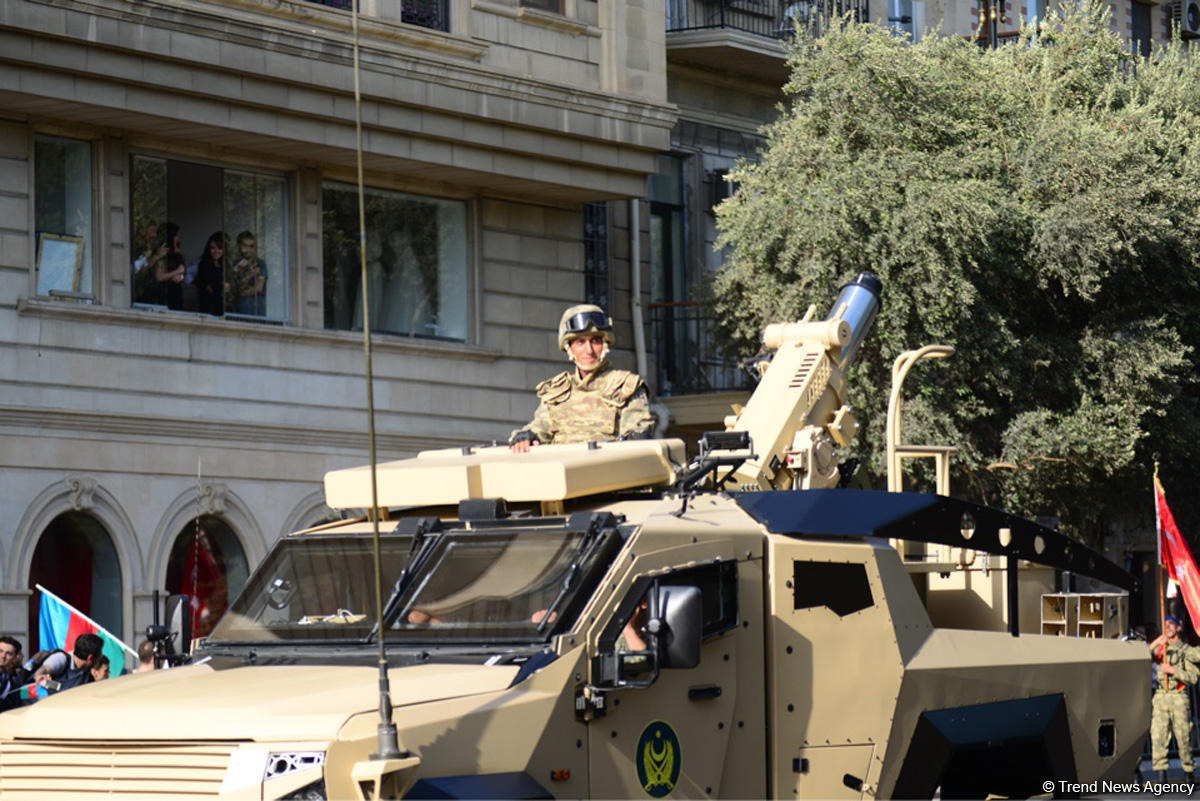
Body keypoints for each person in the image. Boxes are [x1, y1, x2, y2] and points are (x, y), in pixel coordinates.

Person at [509, 304, 654, 451]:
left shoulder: (626, 387)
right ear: (568, 347)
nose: (589, 350)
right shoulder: (557, 393)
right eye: (580, 342)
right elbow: (538, 430)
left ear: (605, 344)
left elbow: (637, 443)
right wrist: (524, 438)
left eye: (595, 341)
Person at [1149, 615, 1196, 781]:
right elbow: (1143, 656)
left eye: (1172, 625)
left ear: (1178, 628)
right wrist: (1156, 642)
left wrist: (1173, 671)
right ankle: (1161, 775)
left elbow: (1194, 677)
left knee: (1183, 736)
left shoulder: (1186, 651)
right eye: (1165, 624)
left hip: (1178, 696)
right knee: (1158, 735)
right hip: (1161, 696)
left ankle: (1188, 772)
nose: (1168, 627)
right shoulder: (1159, 648)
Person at [229, 230, 267, 315]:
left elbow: (258, 288)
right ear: (239, 246)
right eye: (245, 246)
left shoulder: (260, 263)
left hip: (258, 307)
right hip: (242, 307)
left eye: (251, 246)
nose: (248, 250)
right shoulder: (238, 264)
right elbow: (235, 288)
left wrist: (243, 290)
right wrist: (248, 276)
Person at [193, 231, 228, 316]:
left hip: (224, 308)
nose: (216, 251)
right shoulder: (204, 265)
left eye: (219, 248)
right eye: (212, 248)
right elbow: (209, 287)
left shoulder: (225, 265)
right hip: (209, 308)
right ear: (208, 249)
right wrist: (223, 286)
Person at [155, 222, 186, 310]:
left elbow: (182, 273)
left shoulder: (178, 256)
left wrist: (181, 276)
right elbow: (159, 277)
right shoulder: (163, 255)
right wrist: (176, 272)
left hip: (177, 294)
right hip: (165, 294)